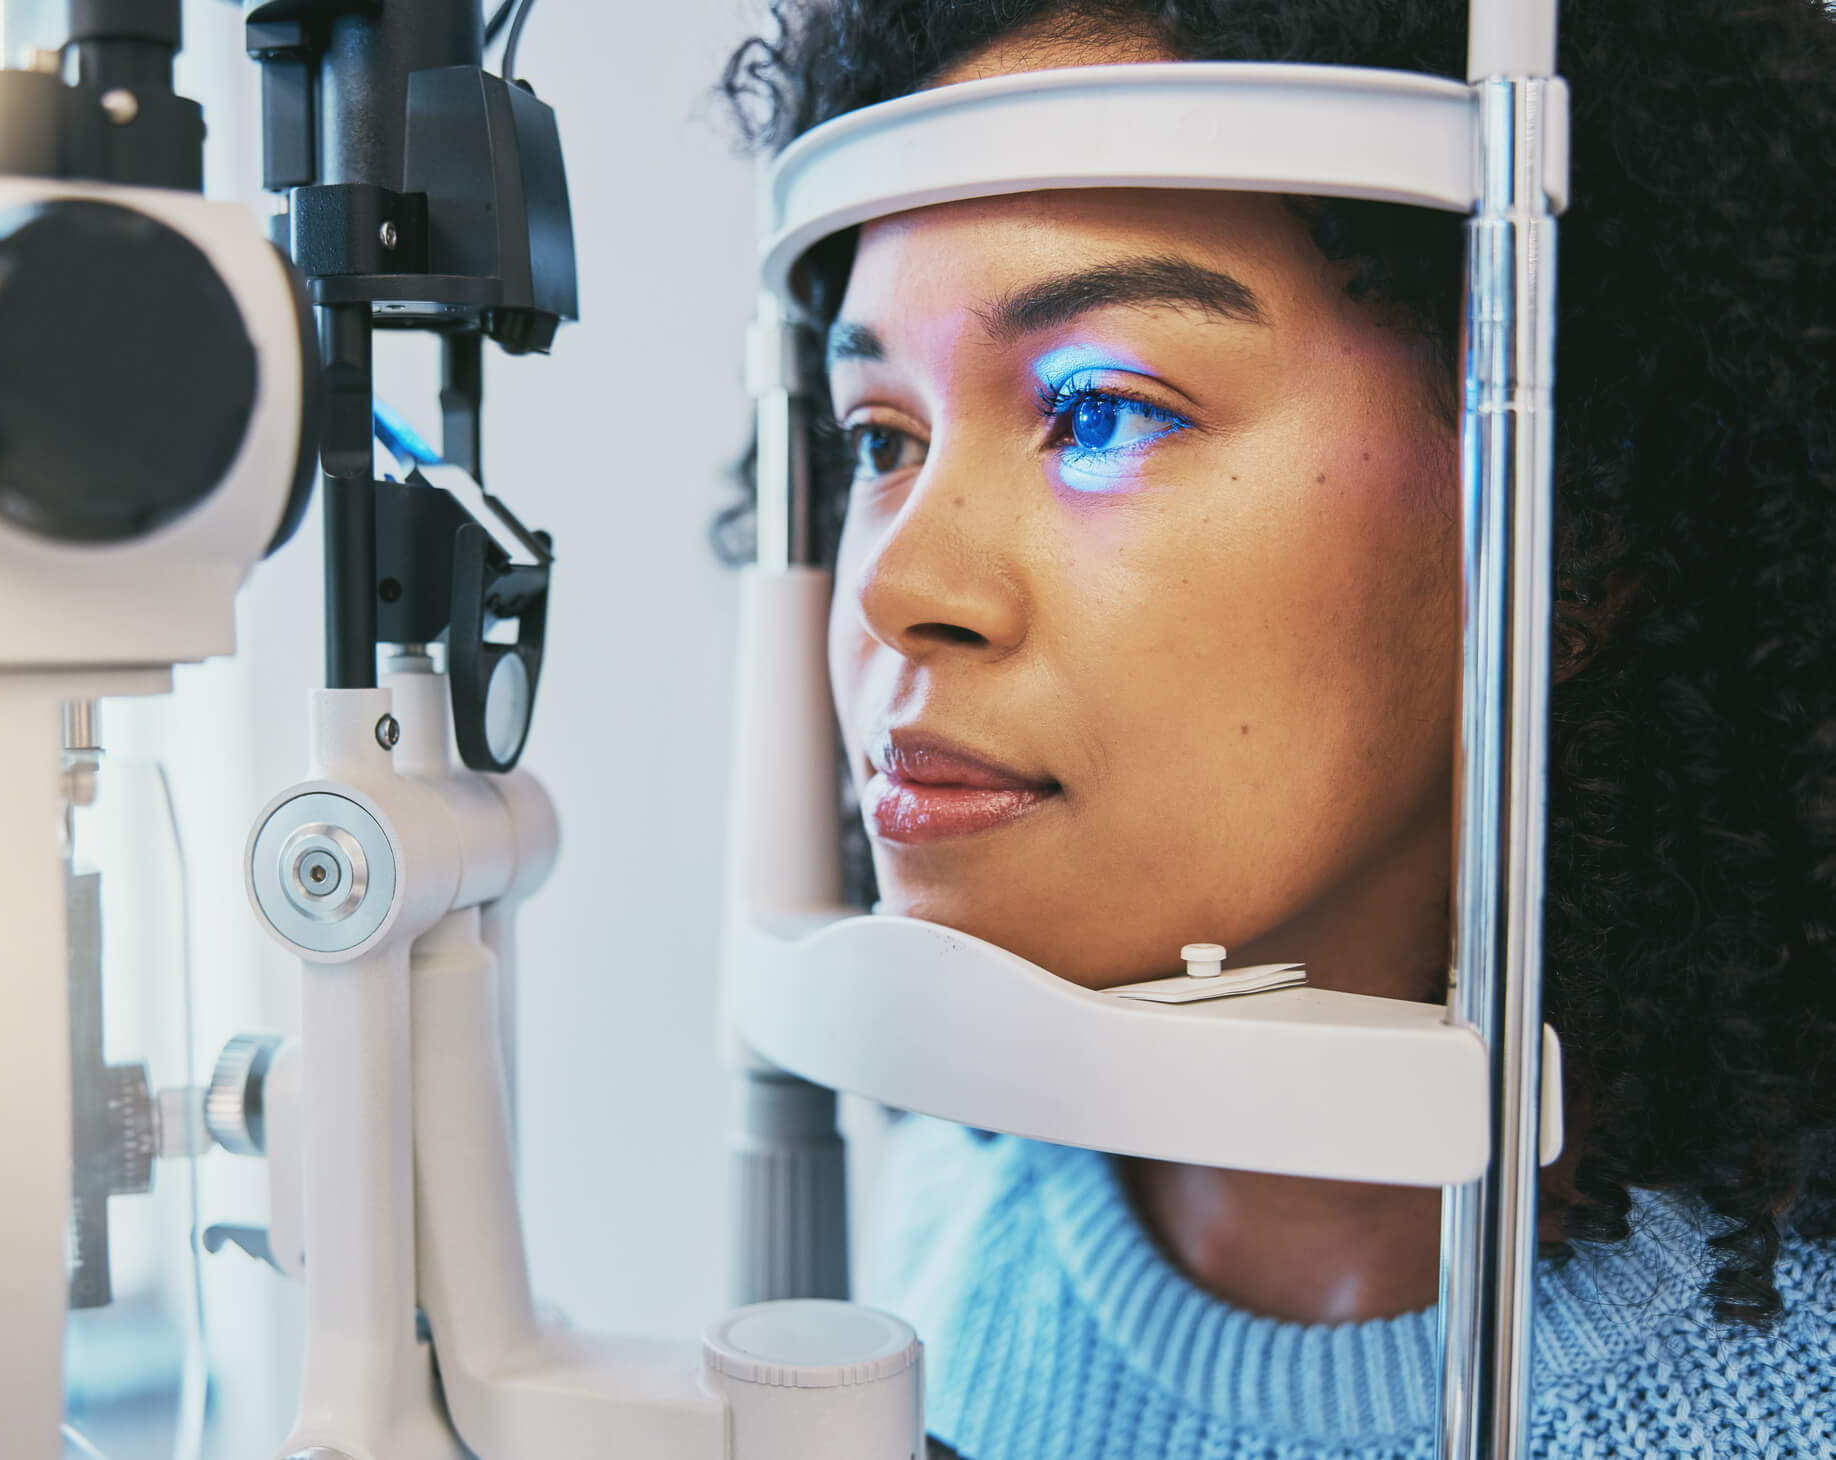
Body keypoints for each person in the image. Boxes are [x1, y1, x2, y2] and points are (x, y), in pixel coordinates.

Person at [718, 1, 1836, 1454]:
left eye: (1102, 411)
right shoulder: (958, 1219)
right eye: (882, 439)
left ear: (1573, 524)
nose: (897, 588)